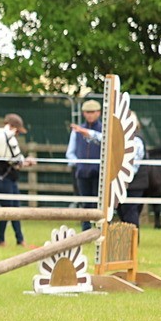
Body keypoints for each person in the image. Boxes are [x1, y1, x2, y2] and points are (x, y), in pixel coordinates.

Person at [0, 113, 37, 247]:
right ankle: (6, 240)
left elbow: (16, 161)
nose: (17, 134)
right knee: (7, 210)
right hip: (3, 179)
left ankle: (17, 239)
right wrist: (23, 162)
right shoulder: (3, 141)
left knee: (15, 209)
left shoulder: (9, 140)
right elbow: (12, 161)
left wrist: (24, 162)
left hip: (11, 179)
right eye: (17, 130)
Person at [67, 98, 103, 230]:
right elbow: (70, 152)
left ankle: (99, 228)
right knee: (84, 202)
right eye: (87, 112)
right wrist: (78, 164)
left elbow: (103, 140)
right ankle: (85, 229)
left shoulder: (104, 130)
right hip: (82, 173)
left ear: (98, 113)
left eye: (92, 112)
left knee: (98, 202)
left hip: (99, 172)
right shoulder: (76, 131)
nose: (90, 115)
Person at [118, 111, 147, 228]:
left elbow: (133, 167)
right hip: (123, 182)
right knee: (122, 213)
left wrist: (124, 180)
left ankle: (133, 243)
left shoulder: (137, 141)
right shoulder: (120, 139)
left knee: (130, 214)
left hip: (134, 183)